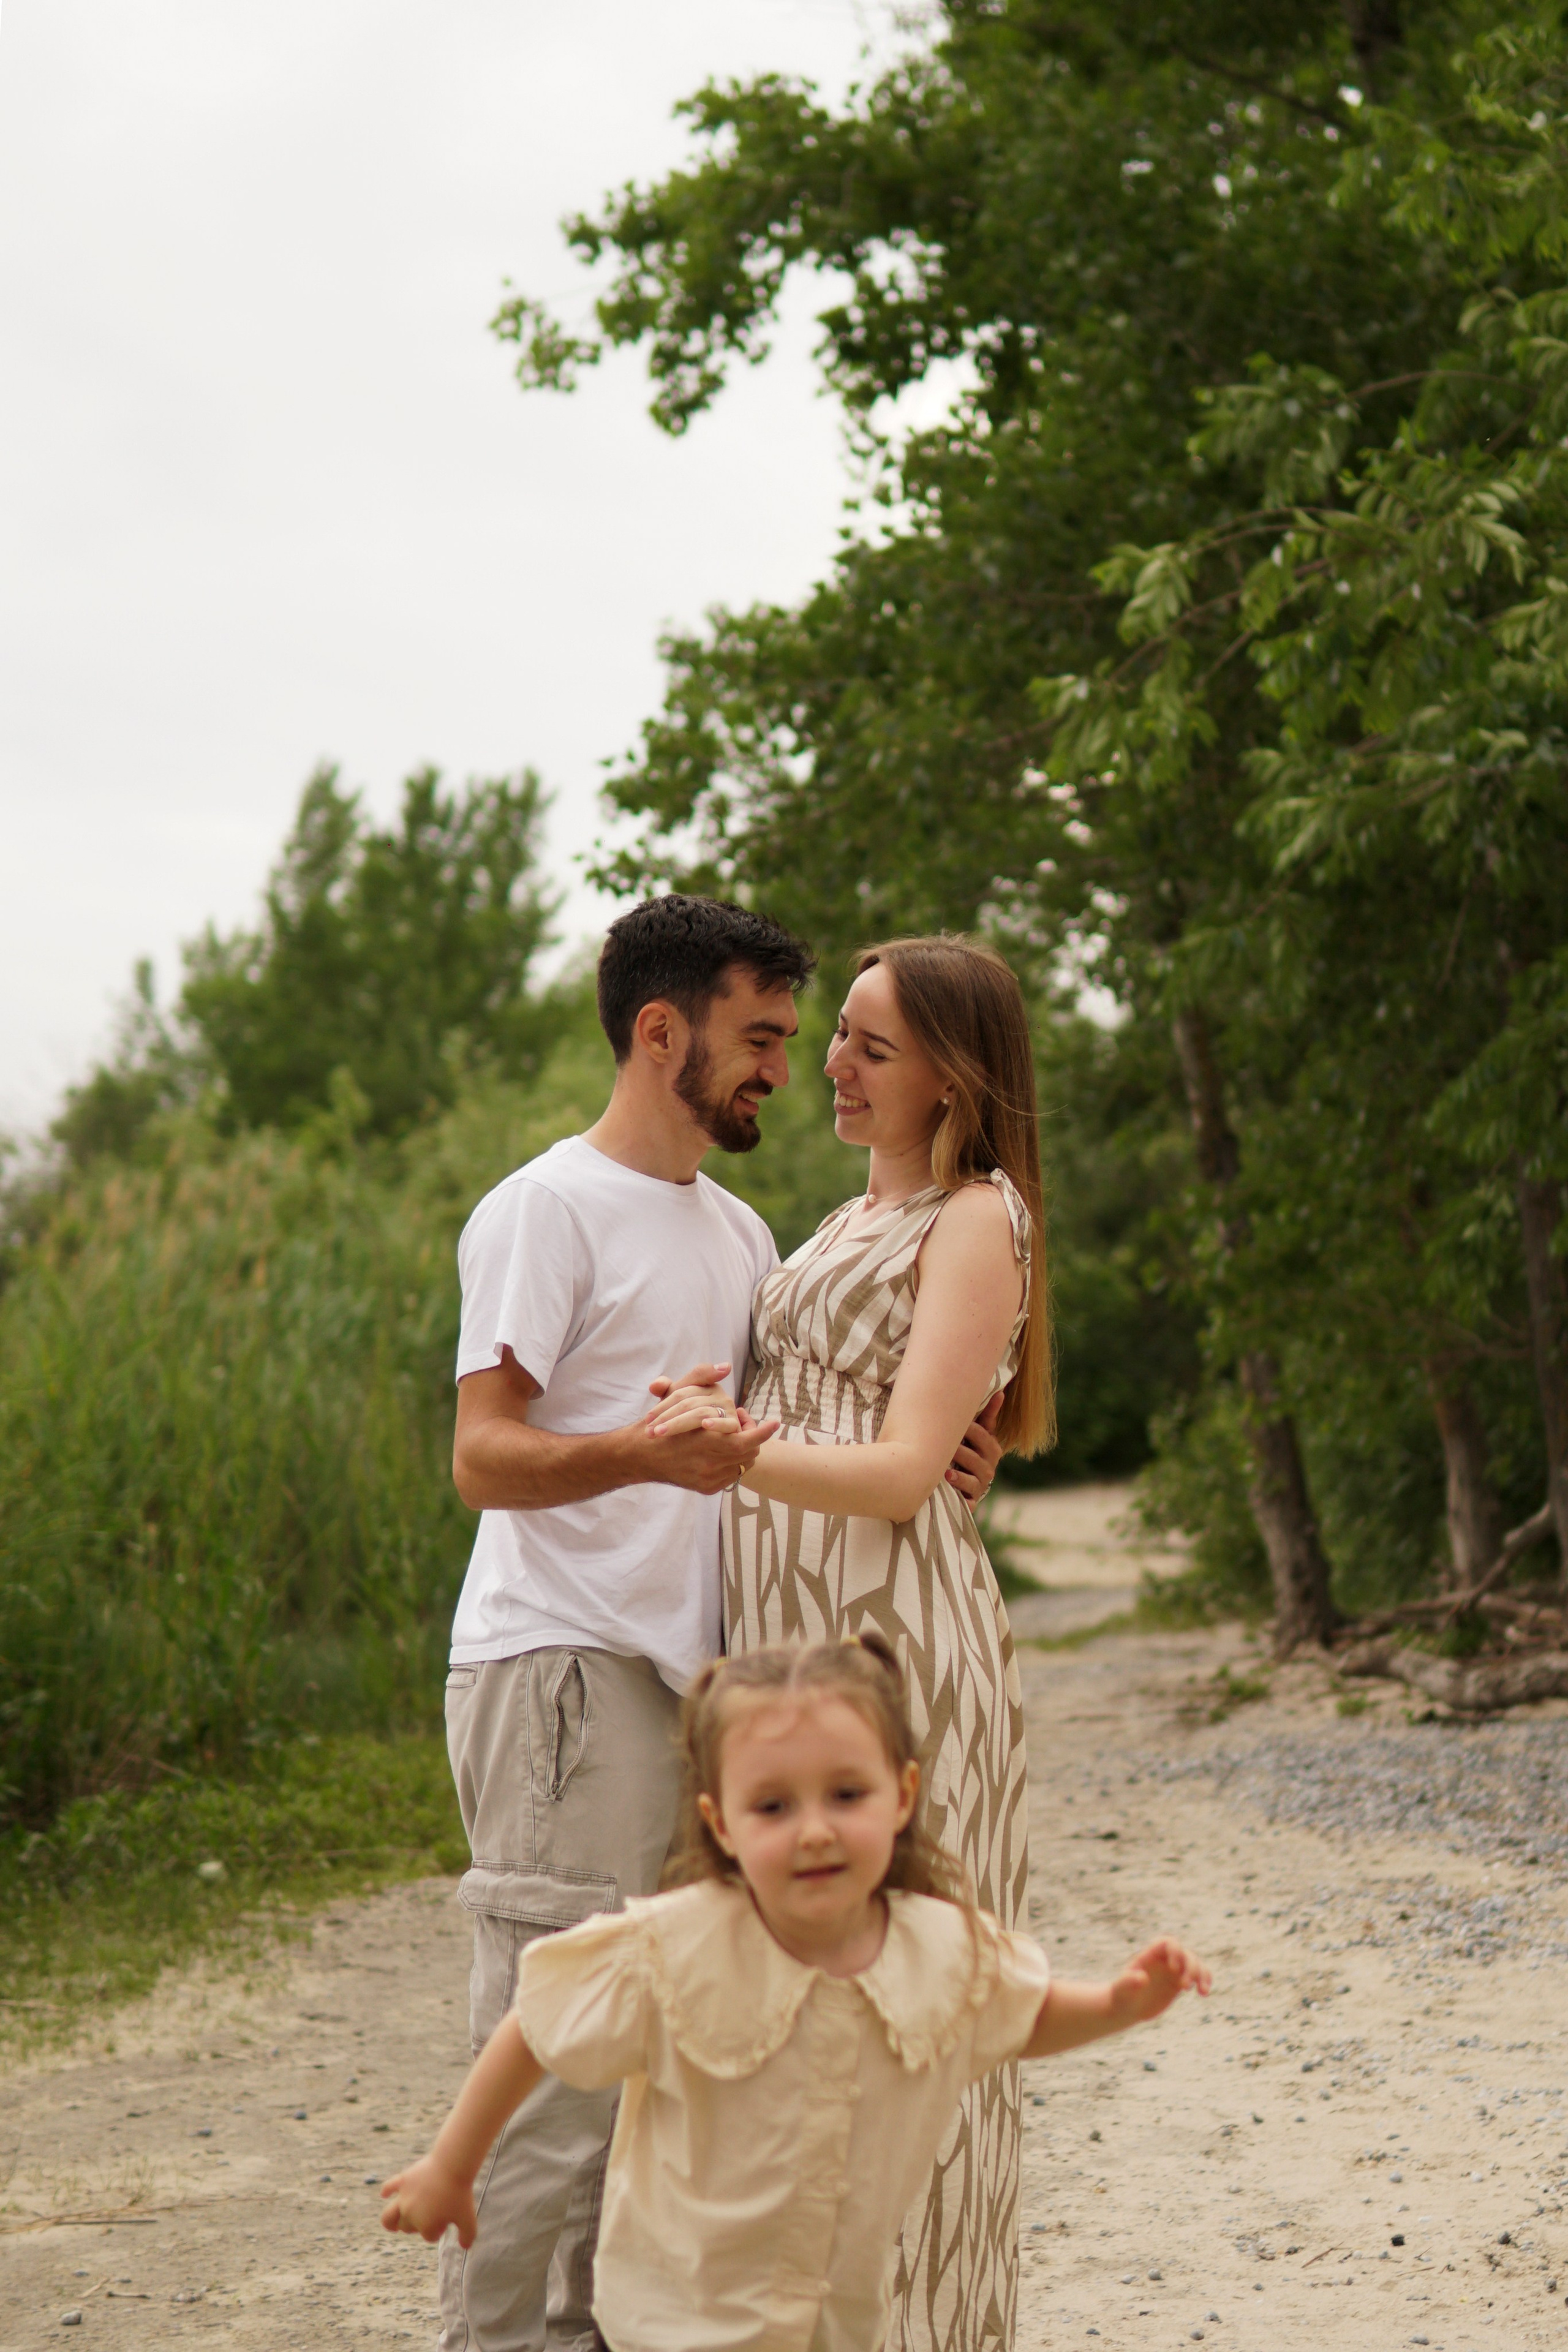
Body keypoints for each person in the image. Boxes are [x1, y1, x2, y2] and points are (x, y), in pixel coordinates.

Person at [440, 897, 1003, 2352]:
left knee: (672, 2087)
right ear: (658, 1031)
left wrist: (954, 1451)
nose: (782, 1069)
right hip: (566, 1668)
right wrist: (643, 1454)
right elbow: (481, 1458)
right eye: (759, 1038)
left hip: (698, 1696)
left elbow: (796, 1421)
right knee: (561, 2073)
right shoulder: (542, 1207)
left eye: (795, 1040)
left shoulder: (746, 1227)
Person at [381, 1635, 1210, 2352]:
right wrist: (452, 2166)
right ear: (722, 1823)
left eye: (846, 1795)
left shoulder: (941, 1946)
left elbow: (1017, 2013)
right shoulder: (675, 1946)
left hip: (828, 2320)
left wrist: (1118, 2003)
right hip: (679, 2322)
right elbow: (538, 2024)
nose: (814, 1829)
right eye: (773, 1806)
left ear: (903, 1797)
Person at [649, 935, 1054, 2352]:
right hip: (792, 1648)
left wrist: (726, 1450)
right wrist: (720, 1405)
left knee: (916, 2021)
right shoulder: (835, 1222)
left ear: (955, 1073)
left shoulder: (974, 1217)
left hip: (890, 1651)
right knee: (810, 2030)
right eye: (838, 1036)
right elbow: (873, 1418)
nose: (830, 1063)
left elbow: (893, 1476)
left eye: (873, 1048)